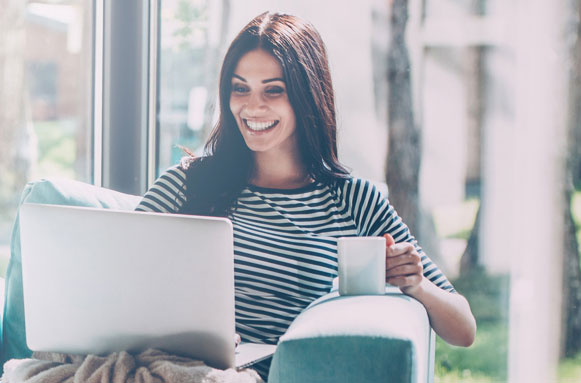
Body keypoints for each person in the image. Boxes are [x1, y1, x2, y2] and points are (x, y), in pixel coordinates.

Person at [136, 11, 477, 380]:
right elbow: (115, 273)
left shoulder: (353, 200)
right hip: (167, 364)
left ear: (307, 95)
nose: (252, 106)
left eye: (273, 90)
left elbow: (464, 330)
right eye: (240, 88)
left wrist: (416, 284)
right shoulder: (186, 183)